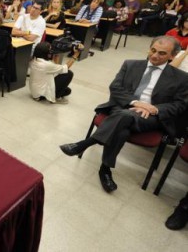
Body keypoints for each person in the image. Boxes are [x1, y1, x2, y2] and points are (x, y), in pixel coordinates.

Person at [59, 36, 188, 193]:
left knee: (124, 117)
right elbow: (115, 87)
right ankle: (105, 169)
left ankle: (85, 144)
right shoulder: (131, 64)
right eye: (153, 50)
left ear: (172, 56)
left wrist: (154, 108)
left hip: (151, 117)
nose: (154, 56)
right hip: (123, 108)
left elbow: (180, 105)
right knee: (123, 128)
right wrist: (135, 103)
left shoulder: (181, 78)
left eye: (162, 53)